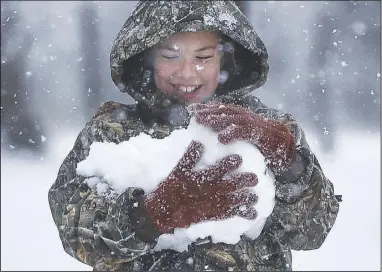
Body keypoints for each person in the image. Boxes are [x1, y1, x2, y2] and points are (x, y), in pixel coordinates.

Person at [48, 1, 340, 271]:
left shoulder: (268, 128)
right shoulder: (111, 133)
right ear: (147, 57)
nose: (188, 73)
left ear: (225, 59)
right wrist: (152, 214)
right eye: (170, 56)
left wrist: (289, 161)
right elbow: (75, 234)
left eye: (203, 56)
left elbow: (312, 233)